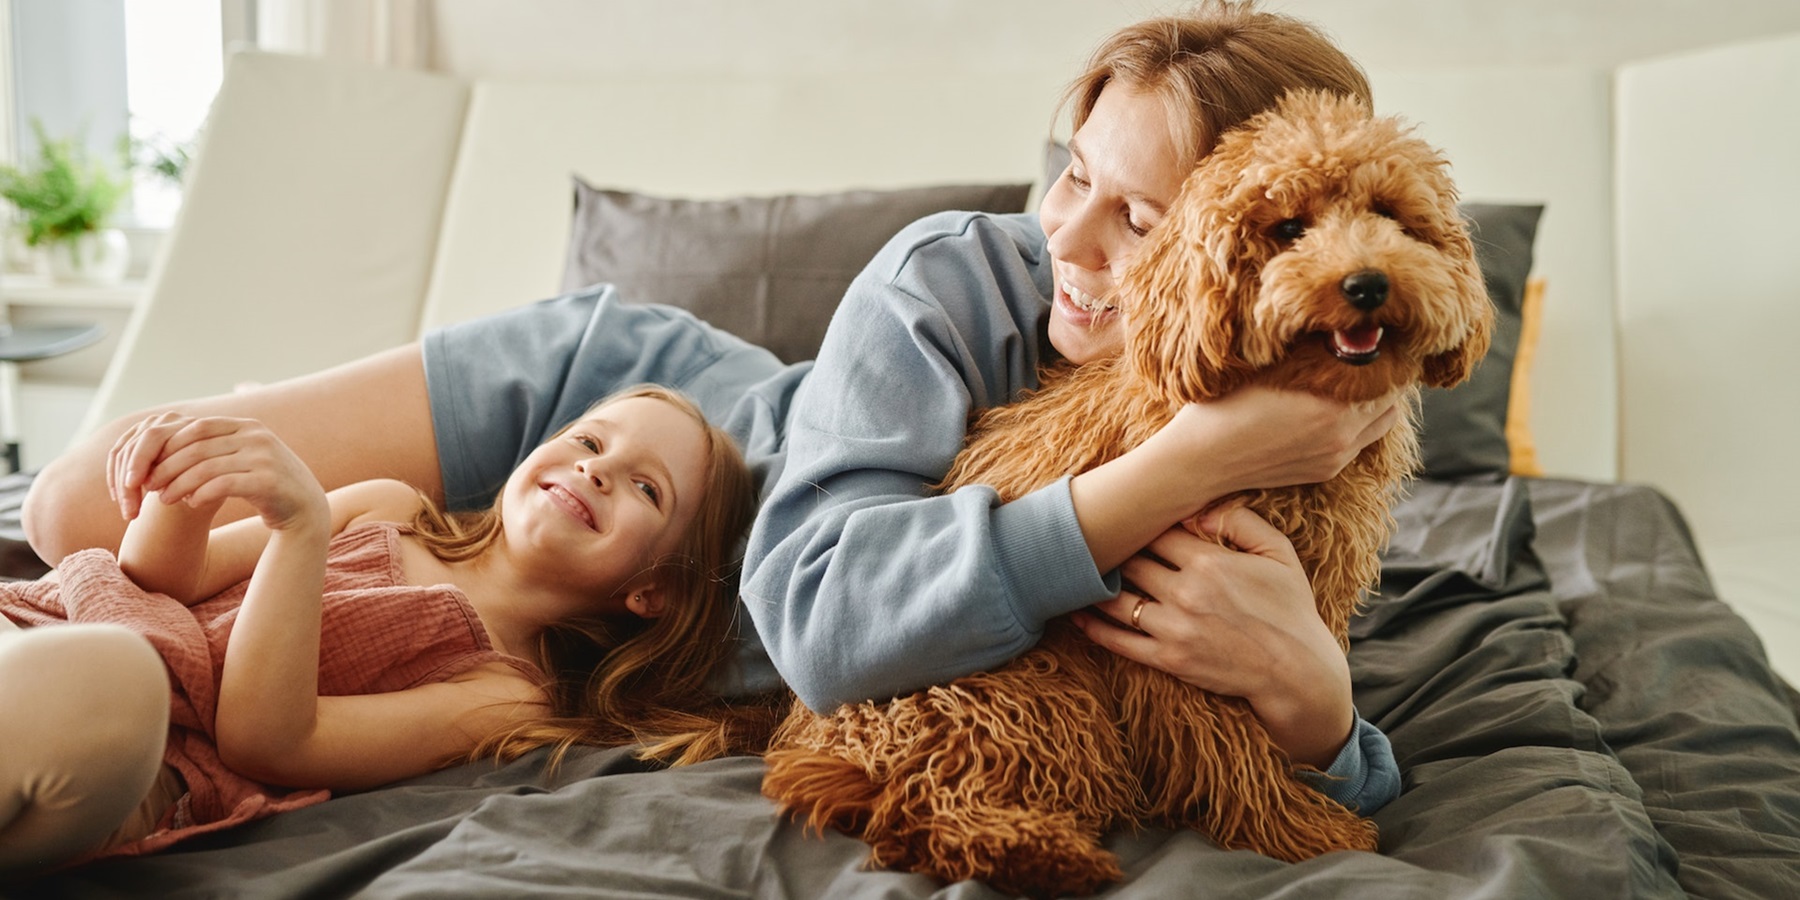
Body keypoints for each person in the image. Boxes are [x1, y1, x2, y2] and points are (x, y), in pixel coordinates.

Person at [23, 0, 1402, 820]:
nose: (1069, 240)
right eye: (1070, 176)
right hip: (634, 398)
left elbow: (1295, 760)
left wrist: (1325, 714)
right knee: (72, 507)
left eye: (1141, 218)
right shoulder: (952, 278)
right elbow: (824, 617)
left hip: (656, 539)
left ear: (1253, 247)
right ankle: (297, 392)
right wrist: (1179, 465)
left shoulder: (1310, 409)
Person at [0, 385, 757, 876]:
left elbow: (269, 740)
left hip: (133, 738)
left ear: (652, 591)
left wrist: (300, 530)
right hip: (37, 620)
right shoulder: (386, 507)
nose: (598, 470)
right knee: (84, 656)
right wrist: (189, 479)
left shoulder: (506, 694)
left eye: (645, 487)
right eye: (592, 442)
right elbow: (163, 581)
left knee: (112, 676)